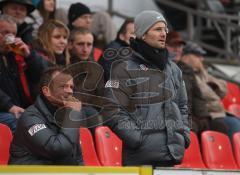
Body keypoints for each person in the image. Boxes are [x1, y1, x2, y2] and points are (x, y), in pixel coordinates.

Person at [104, 10, 190, 166]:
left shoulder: (174, 69)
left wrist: (183, 135)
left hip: (172, 156)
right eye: (157, 29)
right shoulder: (124, 68)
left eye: (165, 29)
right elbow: (112, 109)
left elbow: (182, 106)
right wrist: (137, 139)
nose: (163, 34)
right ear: (143, 34)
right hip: (140, 159)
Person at [9, 67, 84, 165]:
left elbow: (77, 157)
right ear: (46, 91)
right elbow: (58, 149)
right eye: (63, 86)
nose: (70, 91)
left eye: (71, 87)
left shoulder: (65, 114)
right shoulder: (30, 118)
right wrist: (72, 114)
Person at [181, 42, 240, 139]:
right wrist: (209, 88)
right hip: (211, 114)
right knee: (234, 125)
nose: (201, 59)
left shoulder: (202, 73)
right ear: (187, 56)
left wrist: (213, 85)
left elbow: (223, 90)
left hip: (219, 113)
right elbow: (203, 94)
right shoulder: (188, 74)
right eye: (198, 56)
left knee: (235, 122)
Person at [0, 14, 37, 132]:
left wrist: (29, 56)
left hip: (15, 109)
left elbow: (47, 75)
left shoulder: (15, 56)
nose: (9, 37)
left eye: (13, 34)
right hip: (6, 110)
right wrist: (9, 106)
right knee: (19, 123)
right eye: (5, 33)